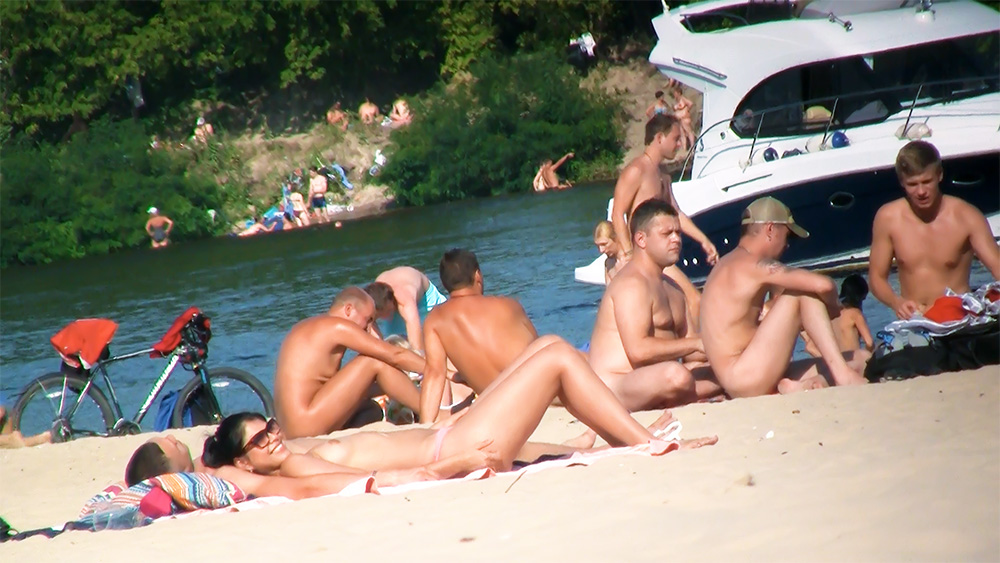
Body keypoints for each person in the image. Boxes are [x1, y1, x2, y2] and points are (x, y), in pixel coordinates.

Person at [700, 196, 869, 398]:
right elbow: (823, 284)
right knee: (800, 292)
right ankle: (842, 377)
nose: (787, 246)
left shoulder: (728, 263)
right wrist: (833, 308)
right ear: (770, 230)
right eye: (787, 236)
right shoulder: (751, 264)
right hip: (744, 376)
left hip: (751, 370)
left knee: (861, 358)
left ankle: (807, 385)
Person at [588, 199, 721, 411]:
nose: (676, 239)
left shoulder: (674, 289)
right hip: (617, 385)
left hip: (655, 377)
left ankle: (712, 386)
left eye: (678, 233)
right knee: (676, 376)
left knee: (724, 366)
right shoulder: (632, 284)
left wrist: (729, 342)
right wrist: (697, 344)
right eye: (667, 234)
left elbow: (693, 352)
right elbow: (638, 350)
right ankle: (708, 390)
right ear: (641, 239)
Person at [123, 431, 471, 499]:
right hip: (428, 453)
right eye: (163, 446)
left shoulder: (208, 462)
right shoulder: (224, 476)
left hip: (424, 445)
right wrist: (392, 478)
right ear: (173, 470)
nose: (169, 438)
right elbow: (297, 487)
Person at [869, 140, 1000, 319]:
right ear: (902, 182)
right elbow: (876, 278)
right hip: (914, 320)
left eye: (927, 181)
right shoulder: (888, 218)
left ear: (939, 175)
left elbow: (997, 267)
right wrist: (896, 302)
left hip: (957, 319)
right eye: (913, 184)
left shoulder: (966, 216)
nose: (921, 191)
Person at [611, 114, 718, 331]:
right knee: (694, 300)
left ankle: (690, 354)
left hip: (659, 256)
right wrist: (629, 254)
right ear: (659, 138)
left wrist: (703, 240)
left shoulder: (663, 174)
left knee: (682, 306)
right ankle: (695, 356)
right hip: (643, 255)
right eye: (676, 139)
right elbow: (617, 215)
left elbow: (675, 214)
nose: (679, 145)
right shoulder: (636, 170)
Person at [273, 287, 425, 438]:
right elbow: (394, 354)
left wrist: (403, 382)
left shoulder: (311, 326)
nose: (368, 328)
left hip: (291, 428)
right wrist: (436, 369)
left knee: (371, 410)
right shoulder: (336, 326)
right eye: (368, 320)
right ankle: (433, 412)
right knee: (372, 360)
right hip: (305, 424)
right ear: (348, 310)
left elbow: (350, 390)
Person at [419, 248, 539, 423]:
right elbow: (539, 351)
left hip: (495, 403)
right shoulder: (508, 306)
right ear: (477, 276)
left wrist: (425, 427)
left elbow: (435, 374)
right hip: (535, 394)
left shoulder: (434, 320)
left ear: (445, 284)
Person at [365, 266, 449, 352]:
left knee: (440, 338)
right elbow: (374, 337)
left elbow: (416, 339)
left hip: (426, 300)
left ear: (390, 302)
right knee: (394, 345)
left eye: (388, 311)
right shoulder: (368, 302)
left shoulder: (404, 296)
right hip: (393, 298)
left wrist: (419, 357)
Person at [802, 274, 874, 357]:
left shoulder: (829, 314)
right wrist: (865, 358)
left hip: (838, 365)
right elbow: (869, 343)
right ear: (859, 297)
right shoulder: (855, 314)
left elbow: (810, 347)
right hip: (854, 362)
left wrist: (830, 362)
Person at [671, 86, 697, 156]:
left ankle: (692, 147)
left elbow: (690, 103)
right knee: (682, 134)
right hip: (680, 120)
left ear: (679, 93)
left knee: (689, 132)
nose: (675, 95)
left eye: (676, 93)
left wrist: (686, 110)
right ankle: (684, 149)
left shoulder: (683, 99)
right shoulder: (676, 101)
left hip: (685, 119)